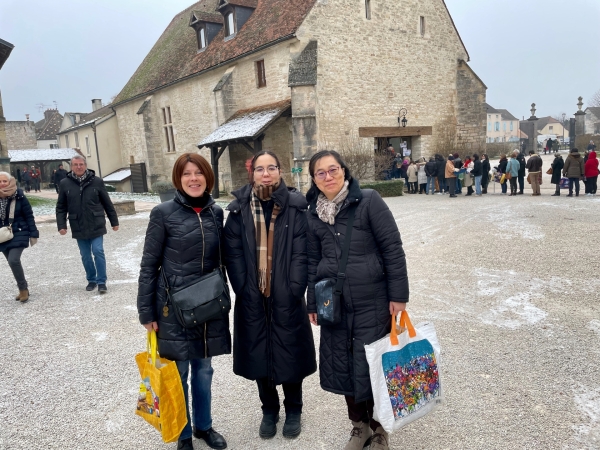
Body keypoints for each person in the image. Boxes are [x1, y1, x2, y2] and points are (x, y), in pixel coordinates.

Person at [305, 150, 409, 450]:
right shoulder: (312, 213)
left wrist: (398, 296)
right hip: (334, 305)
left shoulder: (369, 201)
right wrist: (313, 302)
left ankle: (379, 429)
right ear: (314, 179)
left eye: (333, 169)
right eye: (320, 172)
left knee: (374, 366)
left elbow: (392, 248)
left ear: (344, 171)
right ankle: (358, 426)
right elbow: (313, 262)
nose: (328, 176)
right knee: (345, 368)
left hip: (372, 301)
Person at [137, 153, 229, 450]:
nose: (193, 178)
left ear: (207, 177)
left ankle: (204, 426)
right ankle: (184, 432)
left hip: (209, 305)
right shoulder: (162, 213)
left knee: (204, 370)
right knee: (180, 372)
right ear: (179, 179)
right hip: (173, 307)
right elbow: (149, 265)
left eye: (198, 173)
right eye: (187, 173)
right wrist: (146, 311)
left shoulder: (216, 212)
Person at [223, 151, 315, 440]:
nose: (266, 173)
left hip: (286, 294)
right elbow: (233, 253)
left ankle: (295, 408)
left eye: (271, 167)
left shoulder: (297, 207)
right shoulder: (239, 210)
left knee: (291, 352)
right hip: (252, 294)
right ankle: (269, 409)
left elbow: (304, 252)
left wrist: (293, 288)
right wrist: (243, 287)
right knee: (259, 352)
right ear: (252, 173)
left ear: (279, 171)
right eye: (260, 169)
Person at [56, 155, 119, 293]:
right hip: (78, 224)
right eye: (75, 165)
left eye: (81, 164)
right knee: (85, 255)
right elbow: (61, 206)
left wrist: (114, 221)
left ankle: (102, 281)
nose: (79, 167)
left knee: (98, 251)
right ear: (71, 166)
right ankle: (91, 279)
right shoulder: (65, 183)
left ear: (85, 165)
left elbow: (107, 203)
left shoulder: (97, 181)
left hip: (96, 222)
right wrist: (61, 225)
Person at [0, 172, 38, 302]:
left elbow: (29, 215)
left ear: (10, 182)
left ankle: (23, 289)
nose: (2, 184)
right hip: (2, 235)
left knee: (13, 260)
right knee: (12, 263)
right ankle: (24, 288)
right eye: (0, 181)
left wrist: (33, 233)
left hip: (19, 232)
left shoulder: (19, 196)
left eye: (5, 181)